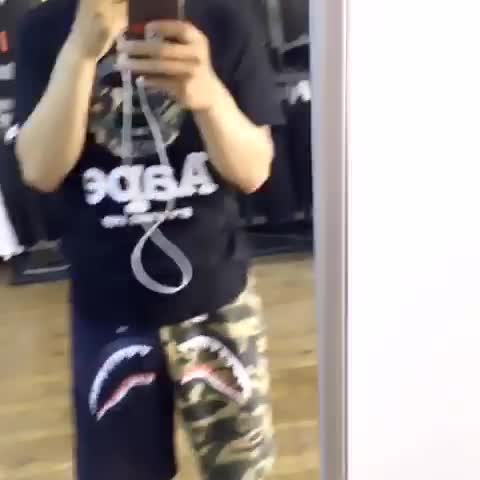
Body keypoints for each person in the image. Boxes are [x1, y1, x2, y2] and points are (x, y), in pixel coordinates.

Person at [13, 0, 283, 479]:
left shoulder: (225, 18)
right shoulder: (45, 28)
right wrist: (80, 52)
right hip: (108, 310)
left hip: (217, 301)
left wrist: (208, 95)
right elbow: (39, 170)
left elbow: (253, 171)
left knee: (243, 470)